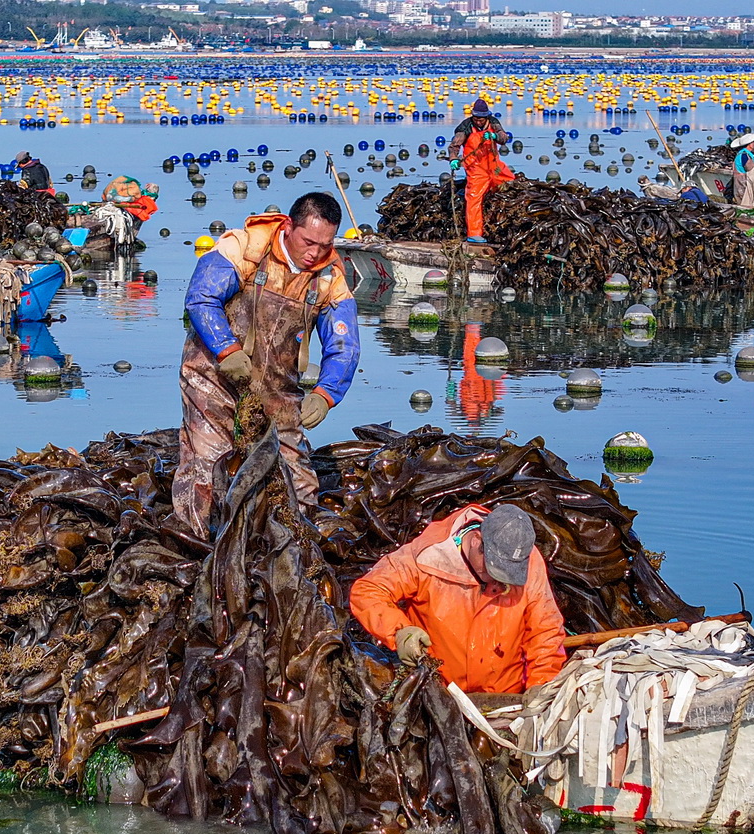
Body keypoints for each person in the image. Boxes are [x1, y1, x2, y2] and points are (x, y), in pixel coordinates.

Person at [173, 191, 361, 538]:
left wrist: (326, 393)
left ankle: (293, 547)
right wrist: (226, 350)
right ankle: (198, 542)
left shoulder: (330, 279)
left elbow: (344, 346)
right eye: (308, 242)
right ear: (288, 226)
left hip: (278, 389)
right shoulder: (245, 248)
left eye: (325, 245)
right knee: (208, 463)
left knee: (298, 481)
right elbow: (202, 298)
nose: (315, 253)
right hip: (212, 377)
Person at [349, 503, 567, 694]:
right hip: (439, 694)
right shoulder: (427, 555)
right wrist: (400, 632)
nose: (499, 580)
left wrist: (541, 689)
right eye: (494, 569)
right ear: (476, 541)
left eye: (508, 574)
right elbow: (368, 590)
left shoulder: (523, 559)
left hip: (506, 699)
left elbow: (545, 630)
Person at [448, 97, 515, 244]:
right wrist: (453, 159)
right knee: (474, 198)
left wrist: (494, 136)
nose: (478, 121)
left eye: (481, 119)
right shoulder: (465, 127)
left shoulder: (493, 123)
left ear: (486, 116)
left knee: (511, 185)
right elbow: (454, 145)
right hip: (476, 169)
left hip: (495, 167)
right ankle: (474, 233)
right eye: (476, 118)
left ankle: (504, 226)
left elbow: (504, 138)